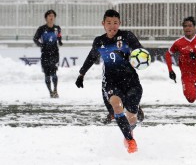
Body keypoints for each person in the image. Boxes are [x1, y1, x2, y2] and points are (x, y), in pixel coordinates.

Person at [75, 9, 143, 153]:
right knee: (116, 105)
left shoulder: (127, 36)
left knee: (132, 118)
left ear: (120, 23)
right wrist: (81, 74)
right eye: (109, 23)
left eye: (115, 23)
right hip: (111, 81)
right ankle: (130, 142)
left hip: (130, 80)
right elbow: (91, 57)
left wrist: (137, 57)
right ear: (103, 24)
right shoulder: (99, 41)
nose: (112, 26)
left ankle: (129, 130)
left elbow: (139, 50)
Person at [165, 16, 196, 123]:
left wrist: (195, 57)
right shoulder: (179, 42)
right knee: (191, 98)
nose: (188, 28)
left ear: (194, 27)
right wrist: (170, 70)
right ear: (183, 28)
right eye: (185, 26)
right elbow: (168, 54)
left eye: (190, 26)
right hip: (187, 75)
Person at [33, 9, 63, 98]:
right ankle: (50, 91)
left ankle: (55, 90)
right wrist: (41, 45)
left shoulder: (57, 28)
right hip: (45, 53)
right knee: (47, 74)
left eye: (53, 16)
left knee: (54, 72)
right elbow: (35, 38)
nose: (51, 17)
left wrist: (60, 41)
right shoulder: (42, 29)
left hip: (54, 53)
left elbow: (59, 36)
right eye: (49, 16)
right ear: (46, 18)